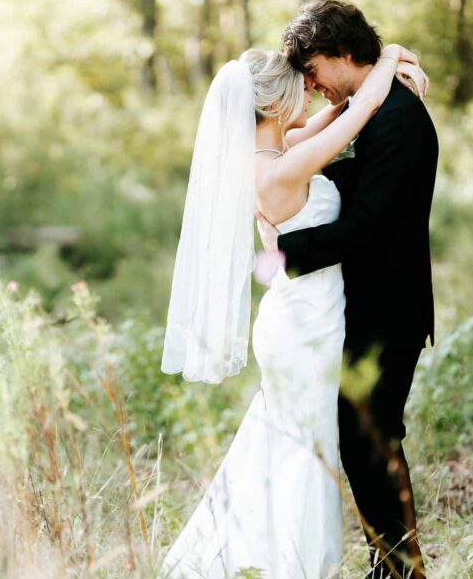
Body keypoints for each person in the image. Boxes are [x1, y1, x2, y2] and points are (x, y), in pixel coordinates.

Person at [160, 28, 428, 577]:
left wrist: (390, 57)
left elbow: (343, 110)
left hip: (304, 316)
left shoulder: (279, 148)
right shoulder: (283, 167)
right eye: (299, 86)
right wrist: (391, 60)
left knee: (299, 442)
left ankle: (281, 556)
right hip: (306, 324)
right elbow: (364, 107)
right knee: (306, 448)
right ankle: (287, 563)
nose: (309, 91)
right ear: (276, 103)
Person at [259, 0, 439, 579]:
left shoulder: (397, 119)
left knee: (372, 437)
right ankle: (390, 566)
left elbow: (371, 226)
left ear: (341, 51)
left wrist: (283, 254)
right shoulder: (365, 108)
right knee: (362, 438)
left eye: (313, 69)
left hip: (389, 305)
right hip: (353, 306)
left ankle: (400, 570)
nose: (309, 84)